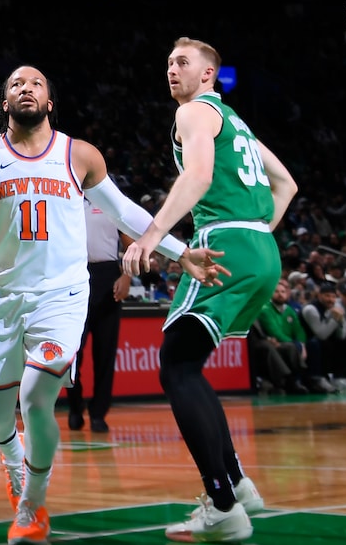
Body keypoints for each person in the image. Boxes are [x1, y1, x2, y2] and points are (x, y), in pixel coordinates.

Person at [0, 65, 221, 544]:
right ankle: (14, 464)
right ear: (5, 102)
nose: (26, 88)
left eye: (35, 83)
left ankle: (32, 504)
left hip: (62, 297)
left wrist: (179, 252)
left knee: (37, 395)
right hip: (1, 297)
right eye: (16, 84)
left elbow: (123, 211)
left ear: (49, 102)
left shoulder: (79, 155)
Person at [122, 41, 298, 543]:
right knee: (187, 364)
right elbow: (287, 185)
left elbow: (198, 176)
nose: (172, 69)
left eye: (183, 62)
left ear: (209, 74)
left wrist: (152, 236)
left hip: (224, 243)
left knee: (176, 367)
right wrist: (256, 234)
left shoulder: (195, 112)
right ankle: (236, 485)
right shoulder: (236, 122)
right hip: (260, 247)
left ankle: (223, 504)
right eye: (168, 63)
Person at [64, 192, 130, 432]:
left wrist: (127, 276)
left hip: (107, 276)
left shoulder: (112, 203)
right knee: (71, 353)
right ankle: (75, 406)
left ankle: (98, 413)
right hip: (75, 276)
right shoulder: (68, 199)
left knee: (105, 354)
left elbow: (131, 244)